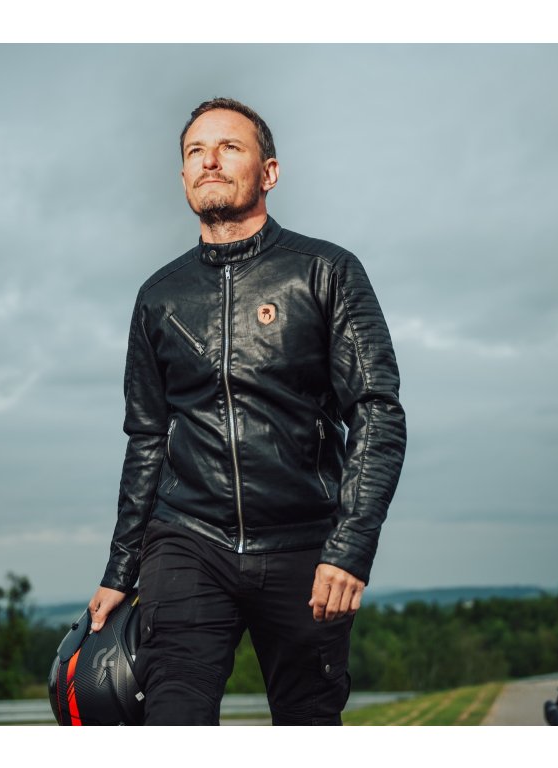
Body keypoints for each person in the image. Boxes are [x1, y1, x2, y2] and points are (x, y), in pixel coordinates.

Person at [87, 97, 406, 725]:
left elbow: (377, 412)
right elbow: (146, 438)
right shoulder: (158, 297)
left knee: (309, 725)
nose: (209, 161)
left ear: (269, 172)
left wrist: (349, 548)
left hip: (305, 546)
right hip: (187, 540)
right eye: (195, 151)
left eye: (229, 147)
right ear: (183, 175)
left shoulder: (327, 272)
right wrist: (120, 570)